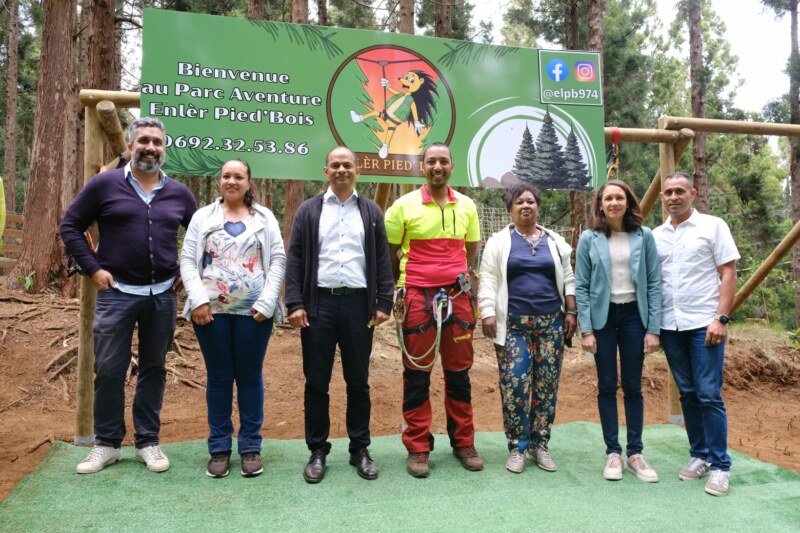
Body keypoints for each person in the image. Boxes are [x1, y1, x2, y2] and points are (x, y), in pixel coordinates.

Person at [60, 117, 197, 474]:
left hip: (162, 296)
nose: (150, 147)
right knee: (108, 369)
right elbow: (70, 226)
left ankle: (147, 442)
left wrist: (187, 273)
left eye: (157, 142)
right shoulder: (104, 185)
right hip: (116, 293)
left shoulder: (179, 193)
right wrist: (93, 269)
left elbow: (201, 235)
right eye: (144, 141)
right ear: (131, 146)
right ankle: (107, 444)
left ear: (164, 149)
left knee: (154, 368)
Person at [285, 146, 394, 484]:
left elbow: (382, 259)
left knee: (358, 381)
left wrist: (384, 302)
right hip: (319, 306)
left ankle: (360, 448)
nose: (342, 170)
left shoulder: (371, 211)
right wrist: (294, 303)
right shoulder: (309, 210)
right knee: (316, 381)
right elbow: (295, 258)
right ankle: (317, 450)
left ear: (357, 171)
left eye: (348, 165)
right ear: (326, 171)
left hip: (359, 306)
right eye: (335, 165)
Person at [179, 159, 285, 478]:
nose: (232, 181)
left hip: (254, 314)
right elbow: (188, 260)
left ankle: (250, 447)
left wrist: (267, 302)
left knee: (250, 378)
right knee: (219, 378)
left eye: (238, 176)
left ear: (249, 182)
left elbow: (277, 260)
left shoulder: (264, 218)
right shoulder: (203, 217)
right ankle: (219, 448)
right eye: (226, 176)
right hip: (211, 314)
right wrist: (198, 300)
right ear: (220, 181)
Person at [384, 142, 483, 478]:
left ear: (452, 166)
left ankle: (464, 442)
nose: (437, 166)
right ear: (422, 167)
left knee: (459, 374)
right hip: (416, 298)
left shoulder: (467, 205)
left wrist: (453, 277)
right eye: (431, 161)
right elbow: (390, 251)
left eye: (443, 161)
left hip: (458, 299)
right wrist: (407, 284)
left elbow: (471, 248)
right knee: (416, 375)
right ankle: (418, 446)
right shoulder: (402, 206)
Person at [478, 182, 577, 474]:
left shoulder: (555, 241)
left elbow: (568, 277)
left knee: (546, 386)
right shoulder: (499, 241)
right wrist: (487, 312)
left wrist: (571, 311)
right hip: (513, 326)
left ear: (538, 207)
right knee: (515, 385)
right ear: (510, 209)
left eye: (530, 201)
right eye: (519, 202)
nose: (525, 206)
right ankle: (517, 446)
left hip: (551, 324)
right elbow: (488, 278)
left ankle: (540, 445)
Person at [653, 172, 739, 497]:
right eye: (668, 192)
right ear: (662, 198)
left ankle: (720, 466)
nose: (673, 197)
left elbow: (728, 272)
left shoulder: (713, 226)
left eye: (680, 191)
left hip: (705, 324)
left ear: (693, 193)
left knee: (708, 393)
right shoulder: (656, 236)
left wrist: (721, 318)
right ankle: (700, 455)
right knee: (688, 392)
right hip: (670, 326)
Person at [574, 180, 661, 483]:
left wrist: (653, 329)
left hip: (634, 316)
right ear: (600, 204)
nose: (614, 203)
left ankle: (635, 453)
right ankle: (613, 452)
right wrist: (586, 330)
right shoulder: (590, 238)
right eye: (608, 198)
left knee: (633, 386)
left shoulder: (644, 236)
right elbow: (582, 286)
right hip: (603, 318)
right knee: (607, 384)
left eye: (619, 198)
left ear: (628, 202)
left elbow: (653, 283)